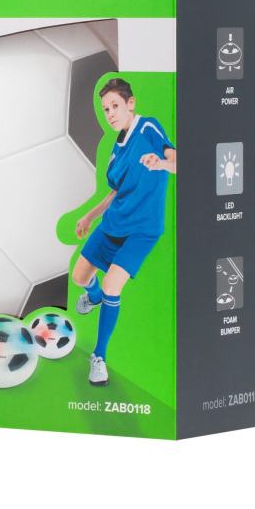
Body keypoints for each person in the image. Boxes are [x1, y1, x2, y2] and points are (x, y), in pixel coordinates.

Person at [72, 78, 176, 385]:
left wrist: (161, 164)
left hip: (142, 231)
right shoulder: (115, 152)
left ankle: (99, 356)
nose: (110, 113)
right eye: (105, 109)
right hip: (113, 225)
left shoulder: (148, 128)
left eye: (115, 105)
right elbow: (115, 193)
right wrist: (89, 216)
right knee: (80, 277)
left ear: (130, 103)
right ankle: (93, 296)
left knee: (112, 285)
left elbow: (177, 161)